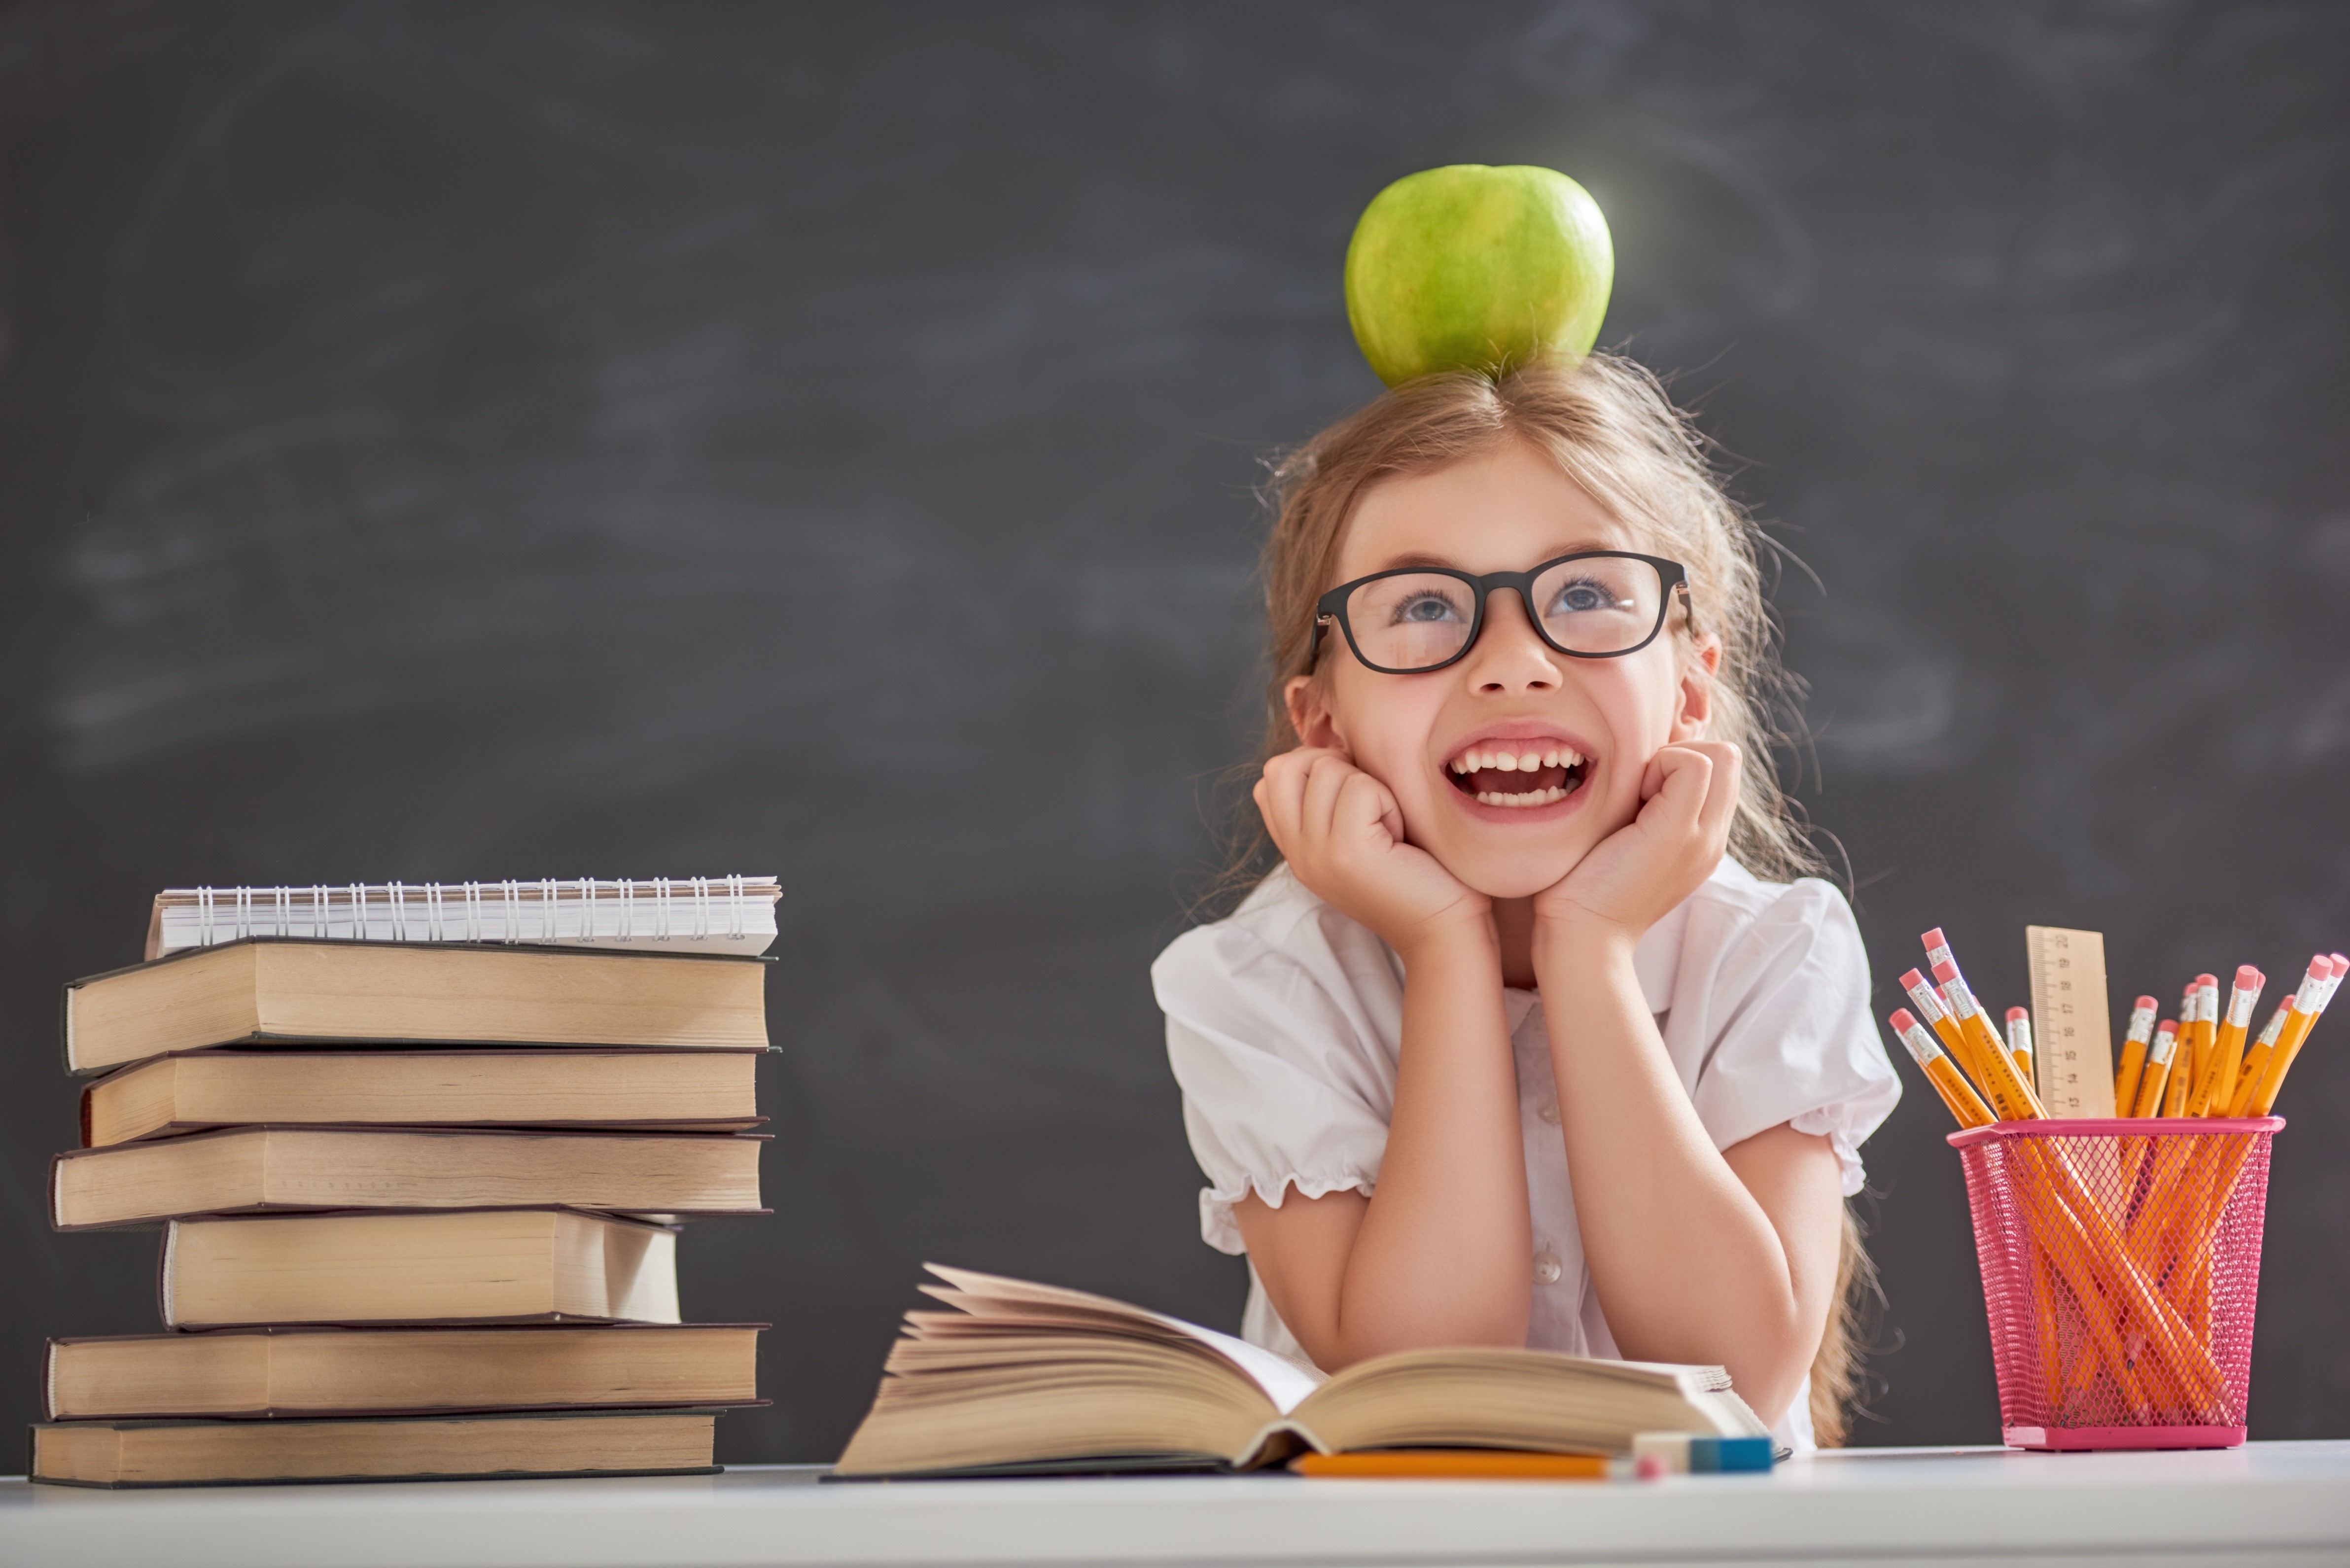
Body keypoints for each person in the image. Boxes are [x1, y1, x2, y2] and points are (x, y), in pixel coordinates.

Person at [1152, 353, 1900, 1449]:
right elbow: (1423, 1383)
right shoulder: (1260, 984)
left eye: (1587, 595)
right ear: (1323, 723)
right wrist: (1444, 947)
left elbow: (1734, 1386)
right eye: (1418, 605)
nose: (1511, 664)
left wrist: (1588, 952)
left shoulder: (1771, 951)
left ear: (1689, 688)